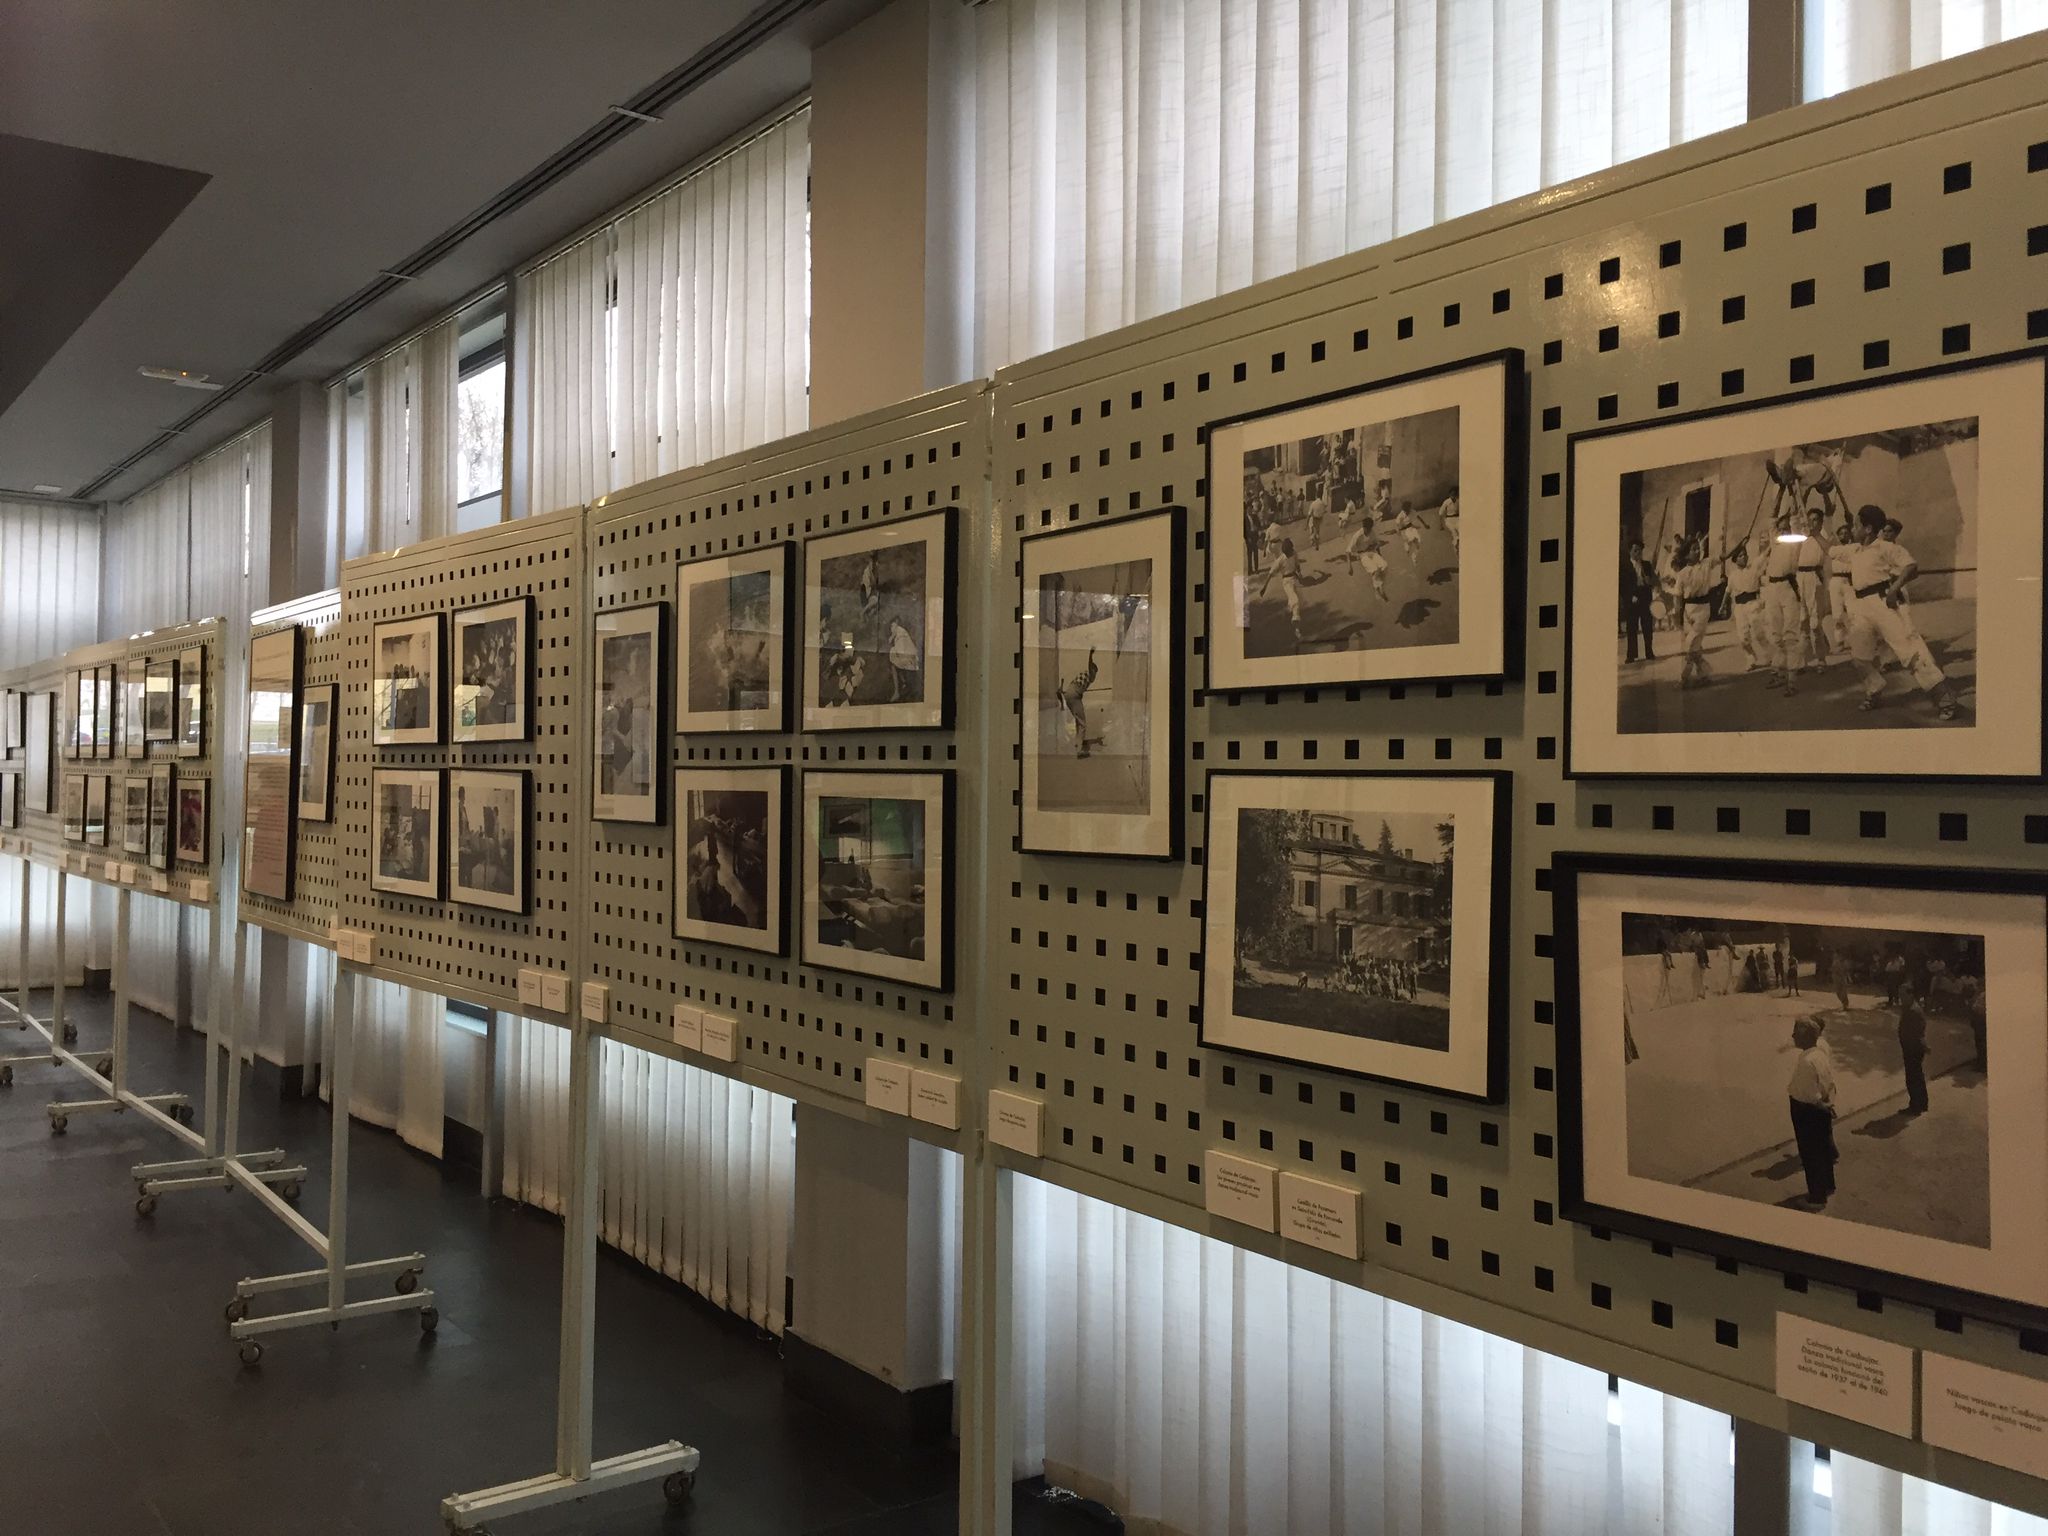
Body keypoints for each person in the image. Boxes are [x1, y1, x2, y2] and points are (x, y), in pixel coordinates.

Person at [1843, 505, 1959, 719]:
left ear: (1868, 529)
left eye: (1856, 525)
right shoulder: (1854, 550)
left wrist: (1894, 589)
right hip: (1861, 607)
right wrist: (1814, 534)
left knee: (1910, 652)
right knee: (1859, 658)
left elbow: (1911, 567)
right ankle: (1875, 688)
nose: (1852, 529)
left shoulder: (1885, 547)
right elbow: (1829, 550)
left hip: (1883, 604)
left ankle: (1945, 698)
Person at [1786, 1017, 1839, 1208]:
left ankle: (1816, 1197)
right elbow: (1829, 1084)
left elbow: (1808, 1094)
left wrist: (1820, 1105)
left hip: (1807, 1110)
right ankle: (1828, 1185)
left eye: (1796, 1032)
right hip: (1822, 1106)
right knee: (1823, 1151)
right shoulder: (1818, 1055)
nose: (1793, 1035)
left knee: (1810, 1153)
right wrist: (1828, 1105)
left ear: (1806, 1037)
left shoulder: (1807, 1062)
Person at [1659, 538, 1722, 689]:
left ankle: (1684, 678)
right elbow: (1678, 595)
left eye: (1698, 548)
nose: (1698, 551)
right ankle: (1704, 675)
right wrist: (1677, 616)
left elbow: (1723, 557)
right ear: (1686, 554)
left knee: (1690, 645)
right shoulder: (1682, 574)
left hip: (1703, 609)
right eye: (1694, 549)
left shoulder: (1706, 563)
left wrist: (1738, 545)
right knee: (1695, 646)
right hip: (1689, 610)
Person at [1761, 506, 1808, 691]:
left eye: (1786, 529)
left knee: (1790, 634)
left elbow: (1795, 525)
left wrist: (1794, 510)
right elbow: (1771, 520)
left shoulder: (1795, 544)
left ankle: (1792, 680)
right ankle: (1778, 672)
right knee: (1775, 633)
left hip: (1788, 589)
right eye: (1780, 530)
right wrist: (1780, 493)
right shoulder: (1775, 543)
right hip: (1772, 589)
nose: (1782, 532)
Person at [1797, 508, 1833, 662]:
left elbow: (1829, 513)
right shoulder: (1802, 536)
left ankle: (1821, 659)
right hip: (1800, 578)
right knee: (1802, 620)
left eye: (1815, 520)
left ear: (1821, 522)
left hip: (1815, 577)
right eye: (1810, 520)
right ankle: (1806, 657)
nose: (1812, 523)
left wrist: (1825, 496)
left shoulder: (1823, 535)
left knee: (1814, 623)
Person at [1722, 541, 1764, 669]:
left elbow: (1763, 557)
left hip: (1753, 604)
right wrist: (1722, 605)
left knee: (1759, 633)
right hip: (1739, 607)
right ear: (1735, 560)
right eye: (1740, 556)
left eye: (1745, 554)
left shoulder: (1753, 569)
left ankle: (1772, 655)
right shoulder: (1733, 575)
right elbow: (1728, 591)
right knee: (1743, 637)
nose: (1744, 557)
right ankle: (1750, 658)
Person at [1259, 538, 1306, 648]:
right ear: (1285, 551)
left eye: (1290, 551)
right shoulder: (1280, 560)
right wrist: (1264, 587)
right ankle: (1297, 629)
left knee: (1300, 601)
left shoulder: (1294, 553)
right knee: (1295, 601)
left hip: (1295, 579)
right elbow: (1270, 574)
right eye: (1287, 552)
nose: (1290, 553)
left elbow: (1297, 564)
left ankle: (1287, 611)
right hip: (1287, 582)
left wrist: (1300, 573)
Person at [1620, 540, 1658, 663]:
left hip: (1645, 597)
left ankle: (1649, 652)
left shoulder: (1646, 565)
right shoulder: (1624, 567)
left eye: (1640, 551)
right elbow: (1621, 586)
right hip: (1632, 599)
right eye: (1635, 550)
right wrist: (1630, 596)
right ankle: (1631, 655)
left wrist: (1650, 581)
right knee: (1632, 627)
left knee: (1647, 626)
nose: (1638, 553)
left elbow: (1655, 582)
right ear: (1630, 551)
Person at [1896, 983, 1930, 1115]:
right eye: (1900, 994)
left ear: (1910, 994)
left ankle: (1915, 1106)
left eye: (1903, 995)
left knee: (1912, 1078)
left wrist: (1923, 1045)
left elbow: (1918, 1032)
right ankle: (1922, 1103)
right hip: (1912, 1047)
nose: (1901, 997)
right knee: (1918, 1076)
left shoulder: (1913, 1011)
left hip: (1913, 1049)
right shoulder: (1911, 1008)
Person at [1059, 647, 1099, 758]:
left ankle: (1077, 743)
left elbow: (1075, 686)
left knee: (1078, 720)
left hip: (1069, 694)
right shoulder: (1091, 675)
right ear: (1093, 670)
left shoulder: (1083, 675)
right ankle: (1080, 751)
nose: (1095, 674)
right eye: (1095, 671)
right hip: (1074, 695)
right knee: (1082, 724)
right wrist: (1090, 654)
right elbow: (1090, 664)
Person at [1439, 488, 1460, 554]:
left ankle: (1457, 546)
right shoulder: (1446, 502)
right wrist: (1441, 525)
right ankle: (1456, 548)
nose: (1453, 496)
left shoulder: (1459, 501)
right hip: (1449, 520)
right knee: (1454, 533)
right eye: (1452, 494)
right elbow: (1440, 513)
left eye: (1455, 494)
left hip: (1458, 519)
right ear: (1449, 494)